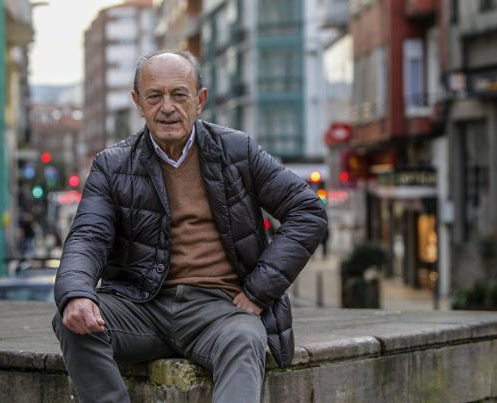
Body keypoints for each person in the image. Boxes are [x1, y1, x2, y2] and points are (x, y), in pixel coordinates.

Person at [52, 50, 328, 403]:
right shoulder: (112, 165)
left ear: (200, 100)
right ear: (138, 103)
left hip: (220, 308)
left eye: (179, 94)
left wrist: (259, 292)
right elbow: (88, 236)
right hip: (142, 306)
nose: (167, 106)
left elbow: (307, 211)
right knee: (71, 320)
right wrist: (76, 292)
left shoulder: (237, 150)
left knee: (245, 340)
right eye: (155, 96)